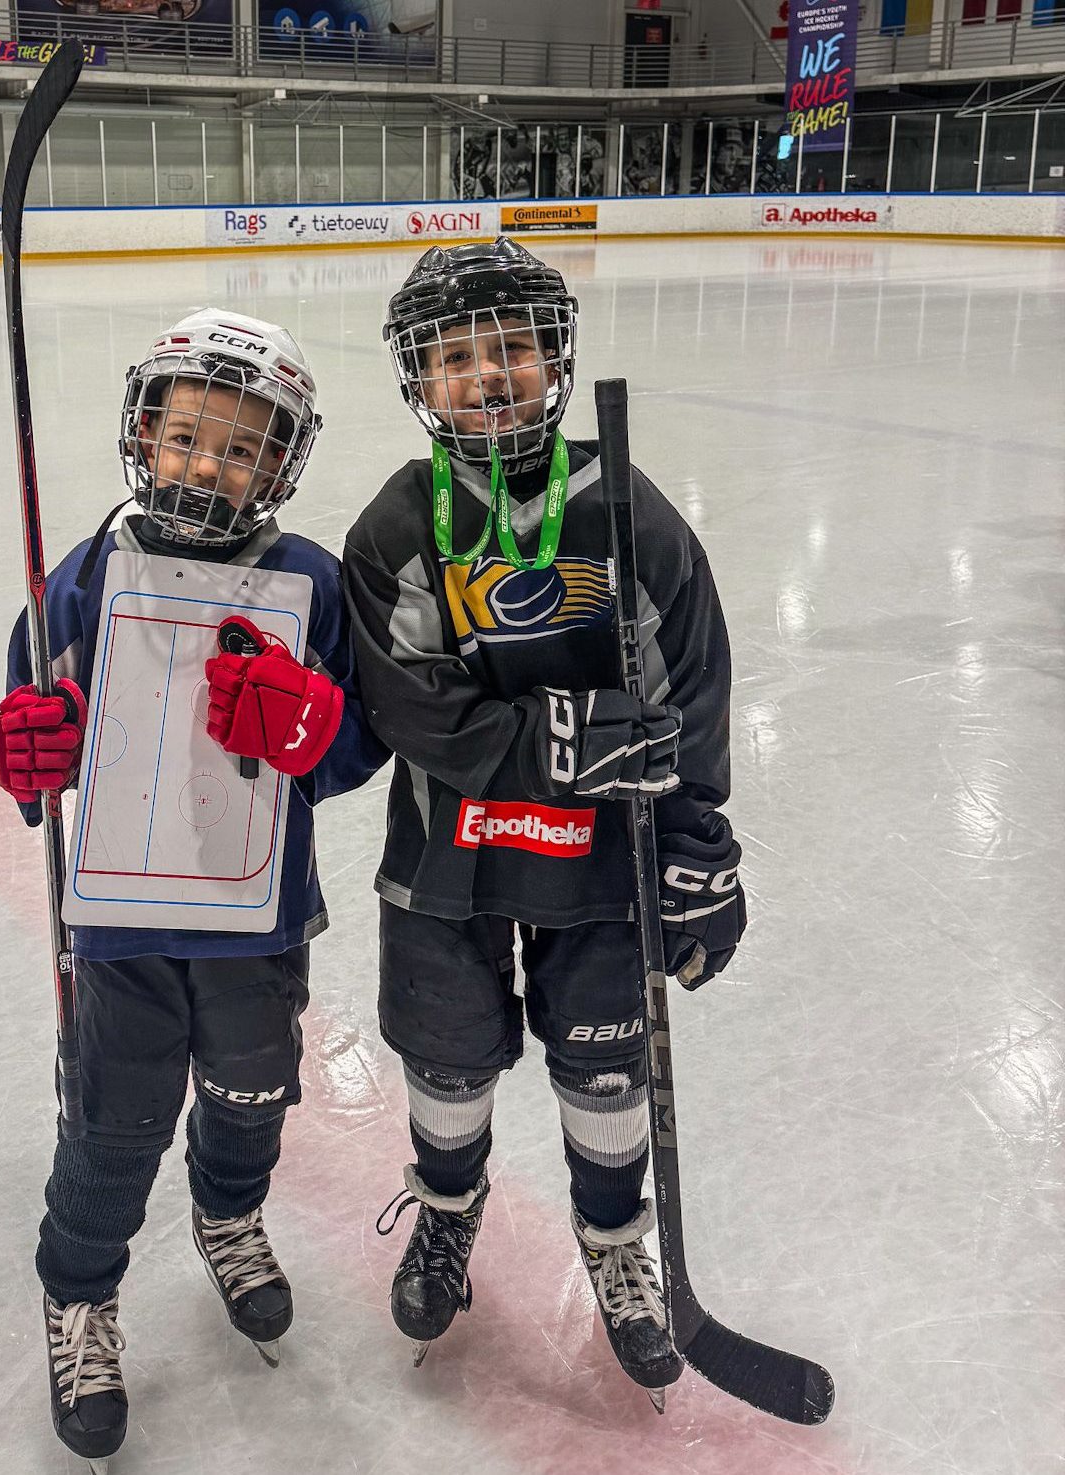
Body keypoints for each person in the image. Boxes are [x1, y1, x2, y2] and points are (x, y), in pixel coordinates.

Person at [342, 238, 746, 1411]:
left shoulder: (627, 510)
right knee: (448, 1056)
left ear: (555, 357)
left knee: (605, 1060)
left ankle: (618, 1243)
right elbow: (411, 703)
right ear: (422, 376)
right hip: (447, 855)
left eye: (512, 347)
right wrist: (559, 744)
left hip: (600, 863)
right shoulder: (398, 525)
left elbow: (694, 682)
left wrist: (698, 841)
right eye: (459, 356)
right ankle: (448, 1213)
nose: (490, 374)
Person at [0, 308, 385, 1472]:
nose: (209, 463)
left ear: (283, 460)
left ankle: (228, 1212)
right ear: (144, 435)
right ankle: (80, 1295)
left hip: (254, 918)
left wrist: (320, 731)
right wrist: (29, 760)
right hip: (120, 930)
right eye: (188, 436)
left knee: (254, 1090)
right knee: (112, 1119)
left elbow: (356, 742)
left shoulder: (309, 583)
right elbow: (36, 718)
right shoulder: (81, 577)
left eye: (243, 444)